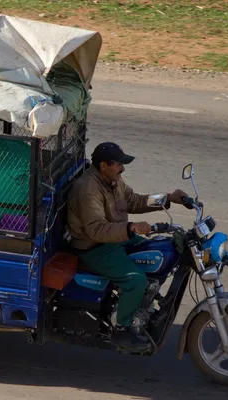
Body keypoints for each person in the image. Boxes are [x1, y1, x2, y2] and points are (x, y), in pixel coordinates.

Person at [66, 142, 189, 351]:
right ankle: (121, 331)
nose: (122, 169)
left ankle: (142, 305)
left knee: (157, 250)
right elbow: (96, 230)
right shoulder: (88, 189)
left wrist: (167, 198)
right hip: (95, 247)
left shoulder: (113, 181)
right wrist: (131, 227)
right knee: (136, 280)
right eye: (118, 165)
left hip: (117, 236)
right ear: (104, 165)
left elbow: (133, 201)